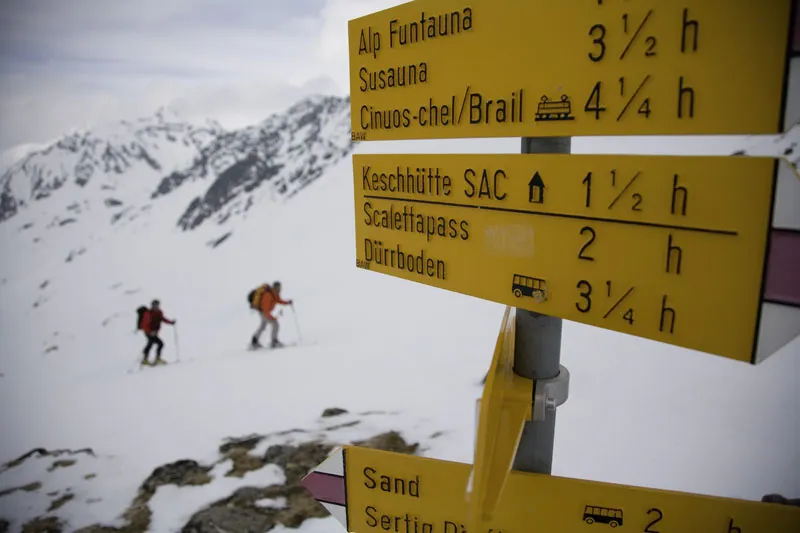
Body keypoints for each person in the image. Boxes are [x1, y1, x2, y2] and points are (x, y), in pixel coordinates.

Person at [251, 281, 293, 349]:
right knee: (275, 324)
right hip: (263, 312)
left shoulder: (275, 294)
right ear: (274, 287)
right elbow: (265, 309)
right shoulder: (268, 295)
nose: (279, 289)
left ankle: (254, 341)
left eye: (280, 287)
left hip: (264, 312)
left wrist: (287, 302)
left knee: (263, 326)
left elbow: (279, 300)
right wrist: (271, 317)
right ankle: (274, 341)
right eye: (278, 287)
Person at [139, 299, 176, 365]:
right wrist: (150, 332)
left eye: (157, 305)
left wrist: (171, 322)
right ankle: (150, 359)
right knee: (159, 344)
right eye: (155, 305)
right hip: (149, 332)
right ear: (152, 306)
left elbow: (163, 319)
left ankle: (148, 359)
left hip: (154, 332)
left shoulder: (159, 312)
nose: (156, 306)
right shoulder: (148, 313)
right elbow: (144, 325)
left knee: (152, 344)